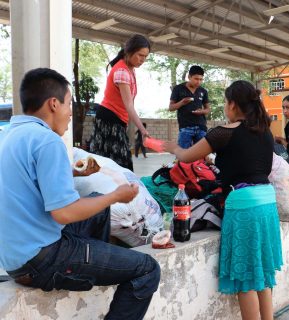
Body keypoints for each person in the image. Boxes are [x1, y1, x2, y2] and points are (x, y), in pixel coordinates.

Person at [0, 68, 160, 319]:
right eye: (68, 106)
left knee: (98, 206)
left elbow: (26, 178)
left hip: (13, 258)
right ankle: (85, 262)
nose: (70, 114)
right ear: (53, 104)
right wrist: (116, 196)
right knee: (148, 268)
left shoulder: (9, 135)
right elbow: (64, 213)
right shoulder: (47, 140)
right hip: (42, 258)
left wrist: (73, 173)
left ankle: (91, 261)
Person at [164, 80, 282, 319]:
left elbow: (186, 156)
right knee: (262, 272)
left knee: (246, 280)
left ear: (233, 104)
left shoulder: (223, 132)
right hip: (268, 202)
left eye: (226, 102)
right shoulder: (265, 132)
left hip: (244, 206)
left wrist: (171, 147)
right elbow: (252, 163)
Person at [90, 34, 150, 171]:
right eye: (140, 55)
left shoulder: (130, 69)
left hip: (117, 121)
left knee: (116, 165)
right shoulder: (122, 71)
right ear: (129, 52)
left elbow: (129, 105)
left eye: (146, 56)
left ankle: (115, 192)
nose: (143, 60)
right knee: (118, 165)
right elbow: (129, 105)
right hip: (108, 120)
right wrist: (142, 129)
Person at [169, 65, 211, 149]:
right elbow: (171, 108)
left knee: (201, 156)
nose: (198, 82)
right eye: (196, 79)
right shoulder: (178, 89)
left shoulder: (203, 91)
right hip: (185, 127)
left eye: (201, 79)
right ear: (189, 77)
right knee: (183, 156)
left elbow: (208, 109)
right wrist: (182, 102)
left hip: (201, 127)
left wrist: (202, 111)